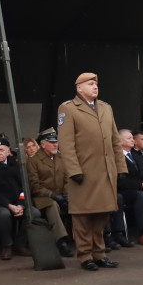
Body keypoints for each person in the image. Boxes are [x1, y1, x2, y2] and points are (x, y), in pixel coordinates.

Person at [56, 72, 125, 271]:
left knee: (101, 215)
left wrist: (120, 166)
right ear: (79, 88)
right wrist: (73, 170)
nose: (95, 87)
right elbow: (66, 143)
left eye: (96, 84)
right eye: (90, 84)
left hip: (105, 171)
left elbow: (114, 140)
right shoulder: (68, 108)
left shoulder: (105, 107)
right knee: (82, 216)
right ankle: (85, 255)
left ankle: (99, 253)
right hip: (83, 172)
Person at [25, 127, 74, 257]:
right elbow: (35, 186)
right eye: (51, 142)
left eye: (56, 142)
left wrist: (66, 193)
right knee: (52, 205)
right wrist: (52, 195)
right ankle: (61, 241)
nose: (55, 144)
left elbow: (67, 179)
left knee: (79, 202)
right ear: (42, 144)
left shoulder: (60, 157)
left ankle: (87, 238)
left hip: (61, 194)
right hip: (43, 197)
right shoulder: (33, 161)